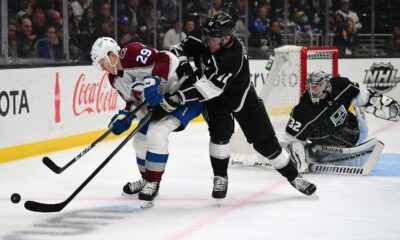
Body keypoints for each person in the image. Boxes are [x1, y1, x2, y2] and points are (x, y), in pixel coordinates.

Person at [163, 13, 317, 200]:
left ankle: (294, 177)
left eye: (214, 39)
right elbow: (177, 51)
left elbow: (209, 88)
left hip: (241, 98)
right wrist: (180, 63)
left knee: (267, 144)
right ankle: (220, 177)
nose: (209, 42)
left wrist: (178, 97)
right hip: (216, 101)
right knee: (220, 135)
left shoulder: (232, 55)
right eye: (208, 37)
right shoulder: (204, 36)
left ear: (227, 38)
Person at [90, 37, 203, 207]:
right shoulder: (113, 79)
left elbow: (167, 58)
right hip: (161, 104)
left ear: (112, 56)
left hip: (182, 94)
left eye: (102, 62)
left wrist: (154, 80)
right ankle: (146, 180)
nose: (102, 67)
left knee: (156, 133)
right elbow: (133, 100)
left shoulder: (132, 53)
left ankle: (153, 183)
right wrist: (125, 116)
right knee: (140, 142)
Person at [284, 71, 400, 172]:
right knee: (307, 144)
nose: (312, 90)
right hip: (327, 141)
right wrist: (298, 158)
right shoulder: (303, 110)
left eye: (316, 86)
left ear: (325, 85)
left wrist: (381, 103)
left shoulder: (341, 85)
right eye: (310, 86)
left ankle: (359, 113)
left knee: (363, 130)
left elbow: (365, 96)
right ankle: (317, 150)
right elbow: (292, 138)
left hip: (353, 127)